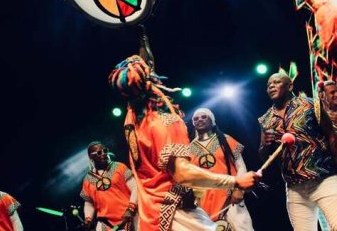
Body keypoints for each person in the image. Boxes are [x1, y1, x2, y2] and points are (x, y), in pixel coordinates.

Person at [109, 55, 261, 231]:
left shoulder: (132, 119)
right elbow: (183, 174)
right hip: (177, 214)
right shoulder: (167, 122)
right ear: (152, 82)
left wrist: (141, 35)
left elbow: (138, 77)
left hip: (152, 214)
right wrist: (235, 182)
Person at [258, 72, 337, 230]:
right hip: (294, 188)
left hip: (323, 179)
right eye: (268, 85)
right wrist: (265, 145)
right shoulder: (266, 119)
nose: (271, 86)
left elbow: (332, 135)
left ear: (290, 86)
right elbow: (263, 155)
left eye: (277, 82)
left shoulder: (310, 104)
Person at [190, 108, 254, 230]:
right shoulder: (189, 148)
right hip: (203, 200)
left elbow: (240, 166)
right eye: (196, 119)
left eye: (204, 117)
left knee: (242, 227)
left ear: (212, 120)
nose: (199, 120)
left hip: (229, 195)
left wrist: (239, 189)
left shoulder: (226, 139)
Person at [80, 142, 138, 231]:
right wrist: (88, 219)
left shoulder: (120, 167)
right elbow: (89, 202)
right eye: (99, 152)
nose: (103, 153)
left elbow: (135, 188)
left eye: (105, 151)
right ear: (91, 157)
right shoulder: (87, 179)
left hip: (128, 217)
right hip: (105, 223)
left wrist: (130, 208)